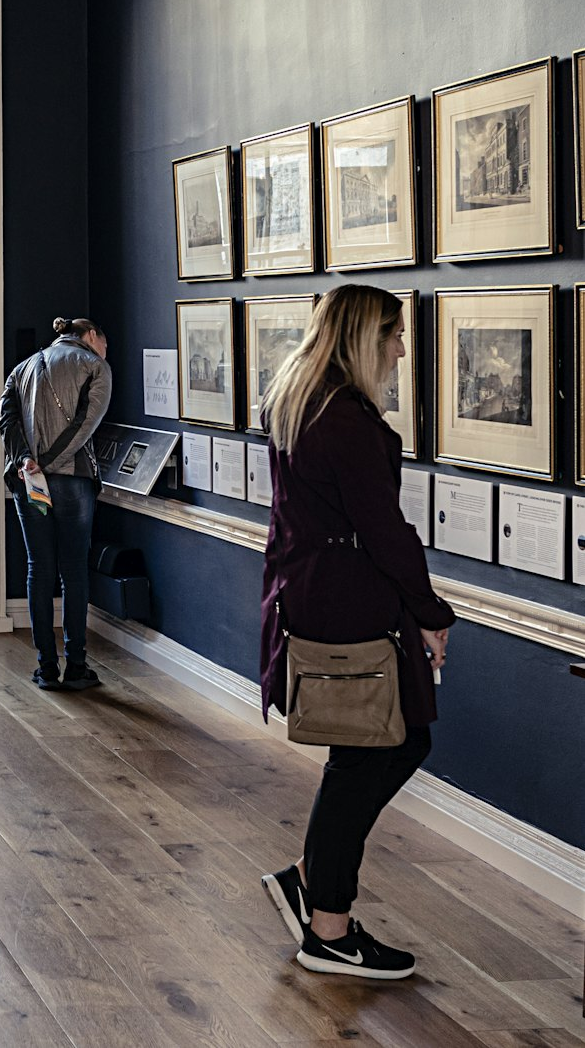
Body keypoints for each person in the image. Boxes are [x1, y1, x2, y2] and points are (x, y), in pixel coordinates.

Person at [257, 285, 454, 980]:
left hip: (310, 590)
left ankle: (312, 881)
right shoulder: (343, 419)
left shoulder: (300, 400)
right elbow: (386, 532)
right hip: (347, 600)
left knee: (360, 751)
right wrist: (432, 613)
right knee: (392, 742)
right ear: (364, 338)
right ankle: (330, 931)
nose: (402, 349)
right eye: (395, 336)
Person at [0, 316, 112, 691]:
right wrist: (47, 462)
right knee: (74, 571)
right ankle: (76, 665)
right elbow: (86, 424)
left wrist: (25, 461)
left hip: (29, 480)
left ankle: (46, 667)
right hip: (72, 481)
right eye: (104, 342)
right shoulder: (96, 366)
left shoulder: (22, 367)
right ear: (91, 336)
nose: (105, 350)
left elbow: (7, 421)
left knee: (39, 569)